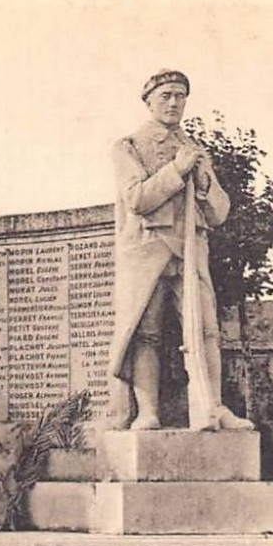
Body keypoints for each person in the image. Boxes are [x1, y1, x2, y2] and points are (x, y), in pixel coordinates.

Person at [107, 70, 252, 431]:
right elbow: (137, 199)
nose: (174, 103)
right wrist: (176, 170)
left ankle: (212, 409)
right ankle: (147, 412)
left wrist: (203, 181)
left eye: (180, 96)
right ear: (149, 101)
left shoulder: (195, 151)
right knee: (147, 332)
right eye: (166, 95)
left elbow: (218, 213)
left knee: (205, 331)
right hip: (149, 247)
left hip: (191, 248)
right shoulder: (128, 146)